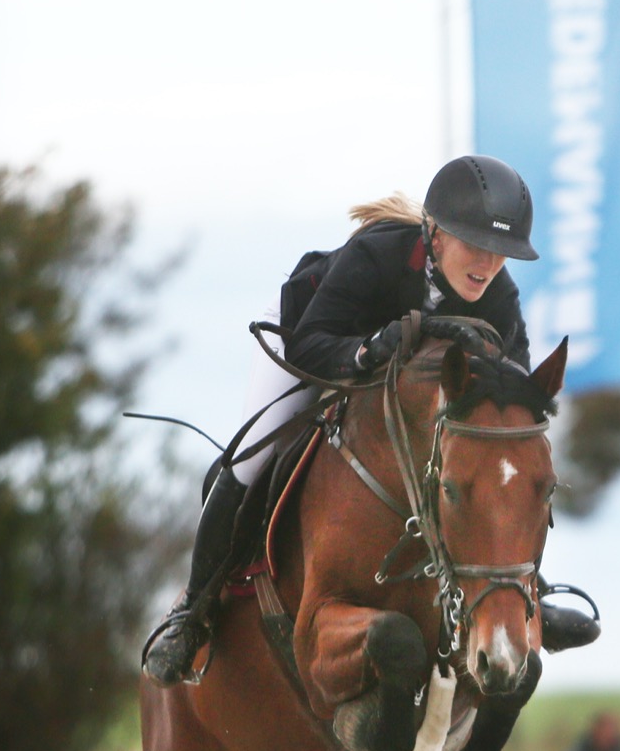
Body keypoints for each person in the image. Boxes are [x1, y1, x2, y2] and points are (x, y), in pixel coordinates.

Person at [142, 155, 538, 686]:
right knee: (252, 455)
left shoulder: (499, 296)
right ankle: (192, 612)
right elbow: (310, 343)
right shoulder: (377, 256)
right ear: (437, 236)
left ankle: (531, 599)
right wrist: (370, 348)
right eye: (477, 246)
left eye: (501, 254)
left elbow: (518, 387)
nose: (488, 265)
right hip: (308, 341)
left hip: (391, 390)